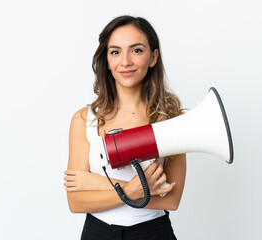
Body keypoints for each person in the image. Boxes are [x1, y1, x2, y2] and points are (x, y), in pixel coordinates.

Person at [64, 15, 186, 240]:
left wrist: (102, 184)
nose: (125, 61)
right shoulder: (84, 120)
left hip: (153, 233)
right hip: (97, 232)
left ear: (153, 57)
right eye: (115, 51)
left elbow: (171, 199)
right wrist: (129, 191)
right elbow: (76, 201)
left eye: (137, 50)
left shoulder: (170, 119)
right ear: (107, 61)